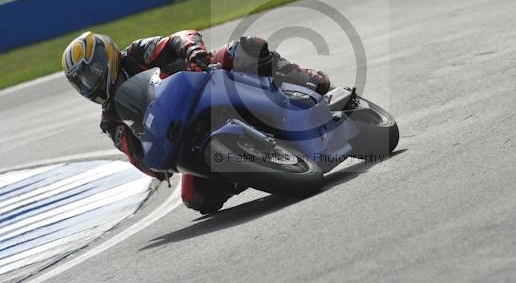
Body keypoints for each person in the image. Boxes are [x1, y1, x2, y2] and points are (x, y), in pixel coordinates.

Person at [62, 30, 329, 214]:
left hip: (206, 85)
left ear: (106, 56)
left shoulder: (136, 53)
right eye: (82, 80)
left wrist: (192, 51)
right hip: (183, 135)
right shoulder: (110, 120)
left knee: (241, 49)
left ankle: (296, 78)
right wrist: (156, 165)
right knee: (197, 198)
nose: (91, 81)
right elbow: (137, 157)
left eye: (92, 70)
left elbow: (180, 38)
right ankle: (253, 165)